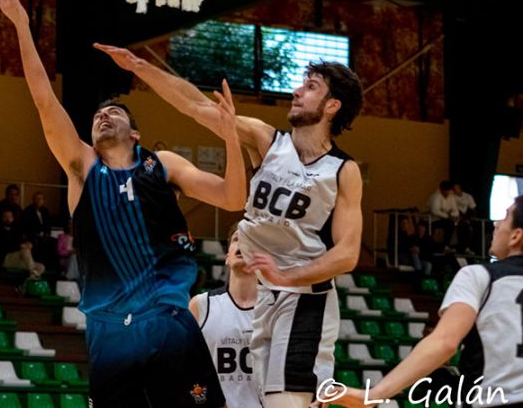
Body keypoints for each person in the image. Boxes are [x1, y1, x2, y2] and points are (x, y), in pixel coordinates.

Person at [0, 0, 245, 407]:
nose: (103, 116)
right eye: (97, 114)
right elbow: (43, 100)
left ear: (136, 132)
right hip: (109, 329)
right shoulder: (82, 167)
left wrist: (231, 140)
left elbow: (234, 198)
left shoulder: (162, 165)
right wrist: (20, 24)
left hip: (167, 318)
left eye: (113, 112)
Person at [96, 43, 363, 408]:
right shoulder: (266, 140)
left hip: (305, 299)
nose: (297, 91)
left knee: (287, 403)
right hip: (266, 296)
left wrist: (290, 276)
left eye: (311, 86)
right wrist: (140, 66)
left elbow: (347, 254)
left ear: (332, 105)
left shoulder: (343, 171)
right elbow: (195, 105)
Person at [331, 196, 523, 407]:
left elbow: (445, 342)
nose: (495, 223)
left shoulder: (480, 276)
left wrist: (374, 394)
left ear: (516, 236)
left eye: (504, 217)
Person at [189, 226, 260, 408]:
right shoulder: (200, 305)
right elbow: (186, 370)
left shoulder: (276, 309)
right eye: (237, 239)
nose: (242, 244)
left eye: (250, 240)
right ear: (227, 257)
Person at [0, 208, 46, 279]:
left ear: (13, 218)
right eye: (5, 217)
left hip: (18, 259)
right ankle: (32, 272)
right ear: (2, 218)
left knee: (41, 267)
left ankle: (31, 277)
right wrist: (20, 246)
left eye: (10, 217)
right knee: (25, 250)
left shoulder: (16, 230)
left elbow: (21, 241)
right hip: (5, 259)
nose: (8, 219)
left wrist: (28, 244)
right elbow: (5, 245)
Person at [429, 180, 459, 252]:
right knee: (449, 224)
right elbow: (435, 210)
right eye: (446, 190)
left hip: (447, 219)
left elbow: (455, 210)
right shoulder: (436, 197)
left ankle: (459, 247)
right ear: (442, 190)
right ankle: (445, 245)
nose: (448, 192)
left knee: (462, 225)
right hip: (433, 220)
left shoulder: (451, 197)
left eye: (449, 190)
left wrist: (453, 216)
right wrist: (447, 216)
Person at [453, 182, 477, 255]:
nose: (454, 189)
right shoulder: (451, 197)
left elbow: (473, 208)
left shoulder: (468, 196)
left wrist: (469, 218)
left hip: (466, 217)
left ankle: (467, 248)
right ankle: (459, 248)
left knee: (469, 230)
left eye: (456, 188)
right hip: (456, 217)